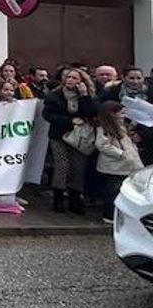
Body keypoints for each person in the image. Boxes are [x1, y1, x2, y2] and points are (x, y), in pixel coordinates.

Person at [42, 68, 98, 214]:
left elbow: (91, 113)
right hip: (60, 135)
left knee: (78, 166)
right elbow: (48, 115)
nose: (71, 80)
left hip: (80, 137)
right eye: (68, 77)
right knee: (62, 165)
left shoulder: (87, 96)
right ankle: (58, 198)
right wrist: (70, 120)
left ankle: (75, 198)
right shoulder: (55, 96)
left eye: (75, 78)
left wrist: (84, 96)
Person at [95, 100, 144, 223]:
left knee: (119, 191)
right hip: (114, 166)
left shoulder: (122, 126)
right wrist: (121, 154)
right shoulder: (105, 128)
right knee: (112, 192)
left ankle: (116, 215)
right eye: (121, 113)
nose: (124, 116)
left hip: (125, 165)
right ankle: (109, 215)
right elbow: (102, 145)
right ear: (112, 114)